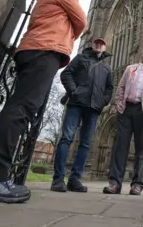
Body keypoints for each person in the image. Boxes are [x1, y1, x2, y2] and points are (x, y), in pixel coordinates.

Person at [0, 0, 87, 204]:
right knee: (20, 111)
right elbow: (81, 20)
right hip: (45, 50)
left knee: (17, 109)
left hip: (33, 49)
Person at [102, 46, 143, 196]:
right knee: (120, 147)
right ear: (141, 54)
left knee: (141, 148)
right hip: (126, 110)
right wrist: (119, 104)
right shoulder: (130, 69)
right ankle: (114, 184)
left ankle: (137, 184)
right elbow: (121, 87)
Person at [50, 37, 113, 193]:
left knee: (85, 143)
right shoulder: (81, 58)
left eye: (102, 43)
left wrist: (102, 102)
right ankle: (58, 179)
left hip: (93, 108)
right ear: (93, 46)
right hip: (76, 104)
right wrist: (74, 91)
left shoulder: (106, 68)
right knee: (66, 139)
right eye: (97, 43)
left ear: (105, 48)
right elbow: (66, 74)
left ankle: (75, 179)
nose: (99, 45)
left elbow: (109, 89)